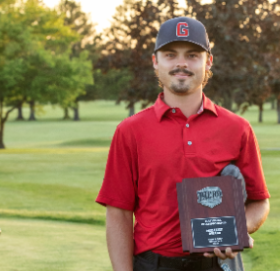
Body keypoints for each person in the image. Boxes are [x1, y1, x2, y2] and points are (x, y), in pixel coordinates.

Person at [96, 17, 270, 271]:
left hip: (213, 266)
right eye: (170, 55)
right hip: (153, 265)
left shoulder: (238, 128)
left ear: (208, 61)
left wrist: (235, 229)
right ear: (156, 62)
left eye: (192, 55)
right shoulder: (130, 131)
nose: (181, 63)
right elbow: (118, 213)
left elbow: (260, 202)